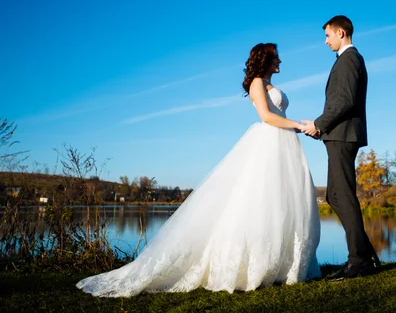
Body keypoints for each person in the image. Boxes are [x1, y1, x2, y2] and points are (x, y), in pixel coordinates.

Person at [76, 43, 321, 297]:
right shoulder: (256, 82)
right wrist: (299, 126)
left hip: (284, 146)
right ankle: (251, 266)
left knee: (282, 202)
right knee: (258, 203)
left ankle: (281, 266)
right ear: (266, 59)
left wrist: (296, 128)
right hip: (269, 143)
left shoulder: (268, 83)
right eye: (277, 57)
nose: (280, 60)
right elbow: (266, 116)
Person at [302, 15, 380, 280]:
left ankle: (359, 261)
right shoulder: (346, 60)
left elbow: (345, 101)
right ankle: (365, 253)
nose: (326, 41)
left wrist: (319, 123)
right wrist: (319, 127)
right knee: (334, 196)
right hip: (338, 134)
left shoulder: (349, 59)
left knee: (343, 195)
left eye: (327, 35)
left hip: (344, 135)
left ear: (341, 33)